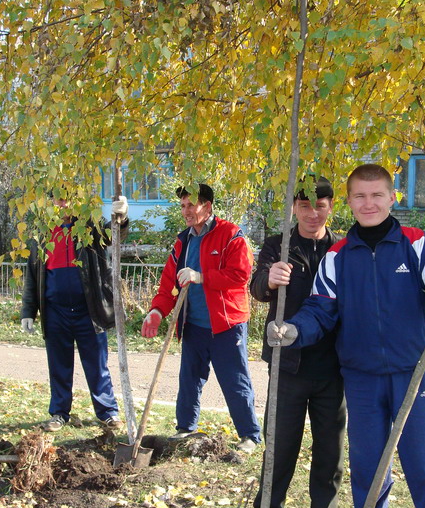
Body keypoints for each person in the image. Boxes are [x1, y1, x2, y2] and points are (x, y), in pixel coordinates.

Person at [268, 164, 425, 508]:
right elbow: (320, 310)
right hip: (360, 378)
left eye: (377, 195)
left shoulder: (418, 244)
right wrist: (293, 331)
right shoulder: (338, 256)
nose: (368, 203)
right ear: (349, 203)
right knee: (367, 463)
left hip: (414, 374)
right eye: (360, 197)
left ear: (392, 197)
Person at [250, 177, 346, 508]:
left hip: (333, 367)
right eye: (304, 206)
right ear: (294, 208)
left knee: (329, 450)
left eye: (320, 205)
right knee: (280, 445)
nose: (312, 213)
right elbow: (256, 287)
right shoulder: (279, 245)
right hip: (286, 363)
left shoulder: (342, 248)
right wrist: (269, 279)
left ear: (330, 207)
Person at [141, 184, 261, 453]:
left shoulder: (231, 235)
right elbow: (169, 285)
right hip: (193, 324)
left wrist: (202, 277)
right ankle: (185, 428)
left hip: (227, 325)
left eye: (190, 205)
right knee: (190, 379)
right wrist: (157, 311)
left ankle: (250, 435)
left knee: (234, 380)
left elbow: (240, 276)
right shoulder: (183, 242)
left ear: (207, 207)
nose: (185, 211)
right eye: (182, 206)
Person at [20, 192, 129, 433]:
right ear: (49, 203)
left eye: (68, 199)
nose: (63, 204)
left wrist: (122, 215)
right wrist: (28, 311)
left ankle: (108, 412)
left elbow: (115, 237)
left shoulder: (88, 228)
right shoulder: (41, 234)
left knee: (97, 364)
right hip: (55, 312)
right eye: (59, 199)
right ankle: (59, 413)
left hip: (89, 311)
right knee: (58, 365)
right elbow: (32, 276)